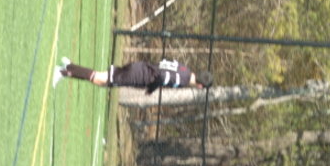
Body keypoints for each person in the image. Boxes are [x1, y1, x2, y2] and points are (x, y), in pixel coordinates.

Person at [52, 57, 213, 93]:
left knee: (103, 81)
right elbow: (163, 76)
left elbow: (165, 62)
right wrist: (152, 88)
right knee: (101, 78)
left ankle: (69, 66)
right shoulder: (183, 80)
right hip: (140, 75)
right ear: (200, 86)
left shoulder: (185, 69)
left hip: (142, 67)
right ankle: (61, 72)